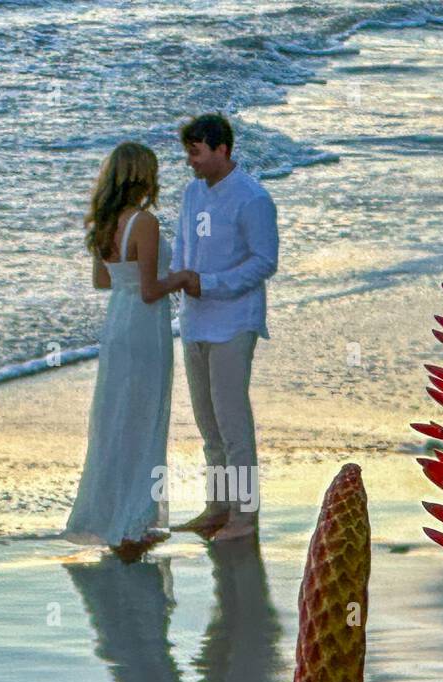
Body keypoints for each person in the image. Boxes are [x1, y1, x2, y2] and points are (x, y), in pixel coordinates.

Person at [64, 142, 193, 558]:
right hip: (144, 326)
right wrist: (184, 277)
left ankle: (113, 517)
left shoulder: (104, 222)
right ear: (142, 176)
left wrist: (141, 281)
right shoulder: (145, 223)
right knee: (144, 416)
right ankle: (134, 524)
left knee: (116, 417)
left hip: (117, 324)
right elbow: (153, 289)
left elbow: (104, 282)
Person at [170, 113, 279, 542]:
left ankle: (244, 515)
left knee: (234, 424)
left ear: (222, 149)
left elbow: (264, 261)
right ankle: (217, 506)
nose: (191, 162)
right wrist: (180, 280)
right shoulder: (192, 193)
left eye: (196, 152)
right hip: (194, 321)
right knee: (207, 422)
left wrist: (209, 283)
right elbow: (182, 247)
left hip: (235, 321)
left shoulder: (252, 197)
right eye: (188, 153)